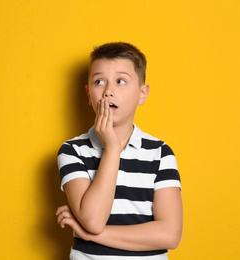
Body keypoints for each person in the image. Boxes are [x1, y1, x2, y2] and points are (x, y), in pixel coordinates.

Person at [55, 42, 182, 260]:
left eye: (121, 81)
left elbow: (169, 235)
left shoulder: (160, 153)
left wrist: (91, 234)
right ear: (88, 93)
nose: (108, 91)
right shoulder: (72, 151)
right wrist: (112, 149)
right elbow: (93, 220)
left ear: (142, 94)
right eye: (99, 81)